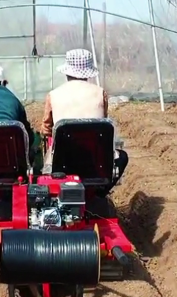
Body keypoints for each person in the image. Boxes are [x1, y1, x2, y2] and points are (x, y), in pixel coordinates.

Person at [41, 48, 128, 195]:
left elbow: (45, 129)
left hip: (63, 161)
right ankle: (101, 192)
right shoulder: (100, 93)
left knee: (43, 160)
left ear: (67, 72)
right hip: (95, 160)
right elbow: (102, 124)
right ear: (88, 73)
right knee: (123, 156)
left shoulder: (54, 95)